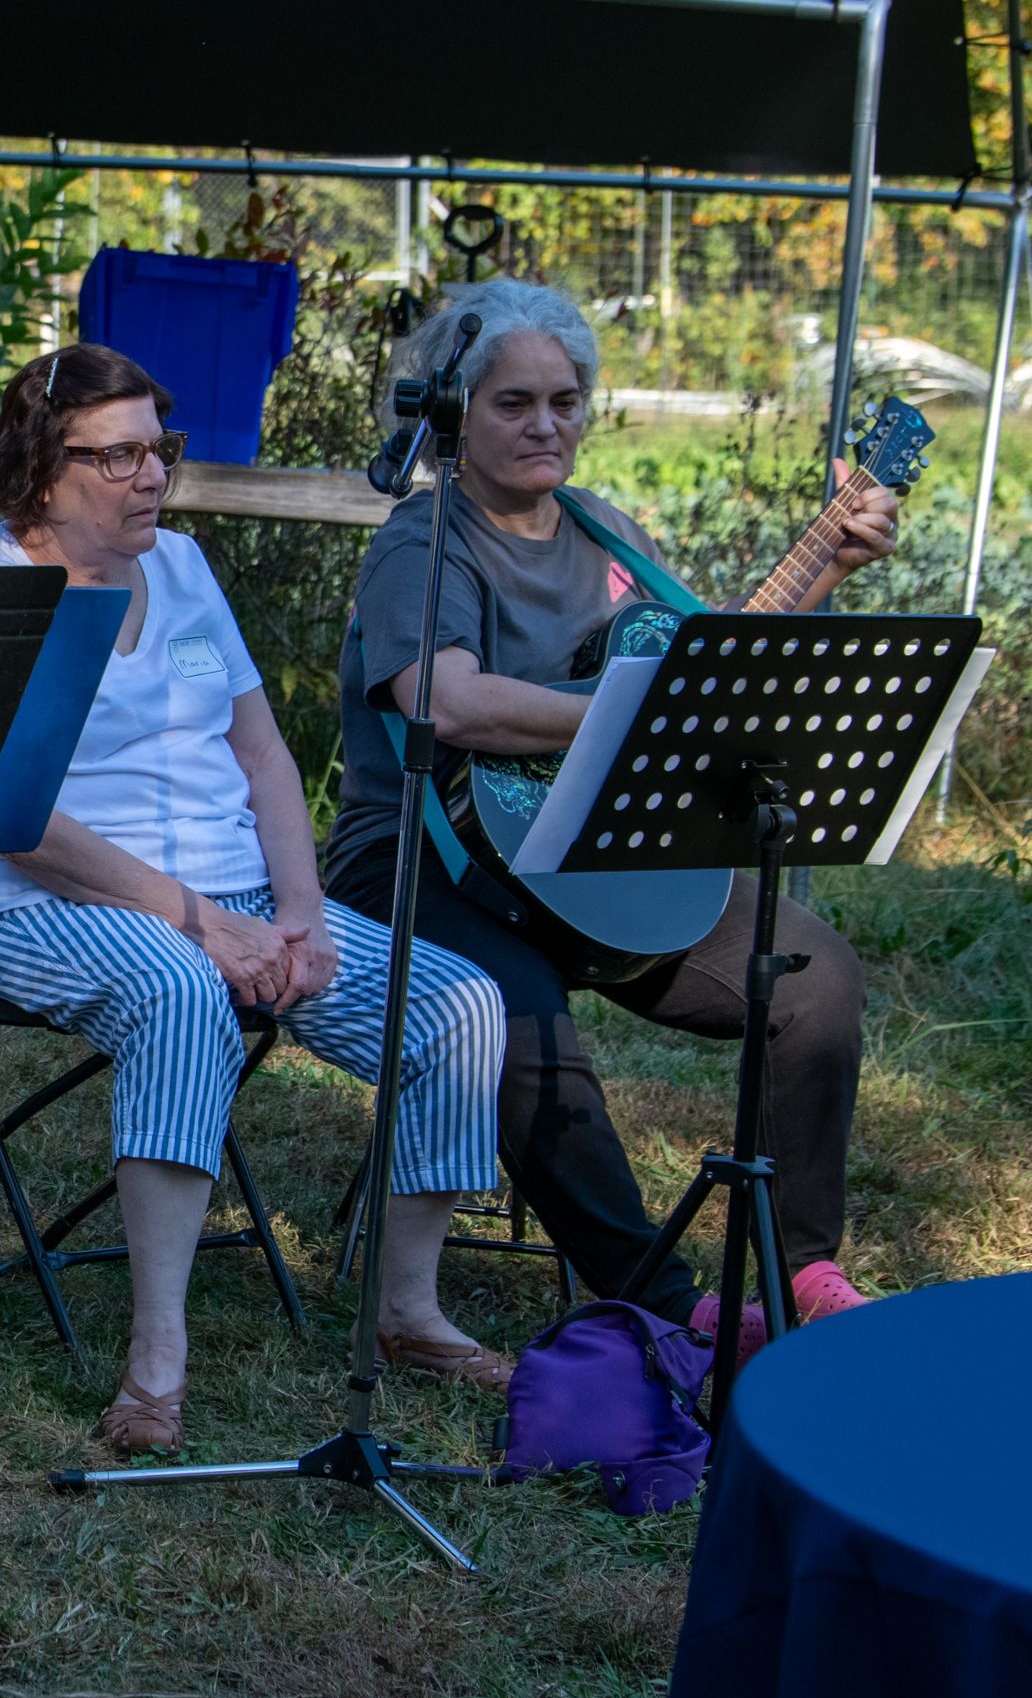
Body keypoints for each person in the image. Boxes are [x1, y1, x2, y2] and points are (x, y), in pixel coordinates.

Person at [0, 345, 512, 1454]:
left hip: (242, 893)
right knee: (175, 987)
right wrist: (200, 922)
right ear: (38, 469)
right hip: (46, 903)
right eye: (118, 454)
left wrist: (295, 910)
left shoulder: (186, 569)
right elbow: (18, 816)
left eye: (162, 448)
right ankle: (158, 1356)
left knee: (457, 1006)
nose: (152, 474)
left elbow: (260, 756)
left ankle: (409, 1309)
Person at [324, 282, 894, 1349]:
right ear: (453, 412)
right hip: (416, 855)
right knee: (519, 1010)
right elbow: (443, 698)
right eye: (515, 402)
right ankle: (666, 1304)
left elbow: (709, 664)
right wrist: (618, 716)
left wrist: (827, 564)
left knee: (814, 983)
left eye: (567, 399)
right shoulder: (424, 541)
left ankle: (802, 1262)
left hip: (583, 850)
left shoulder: (606, 533)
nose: (547, 423)